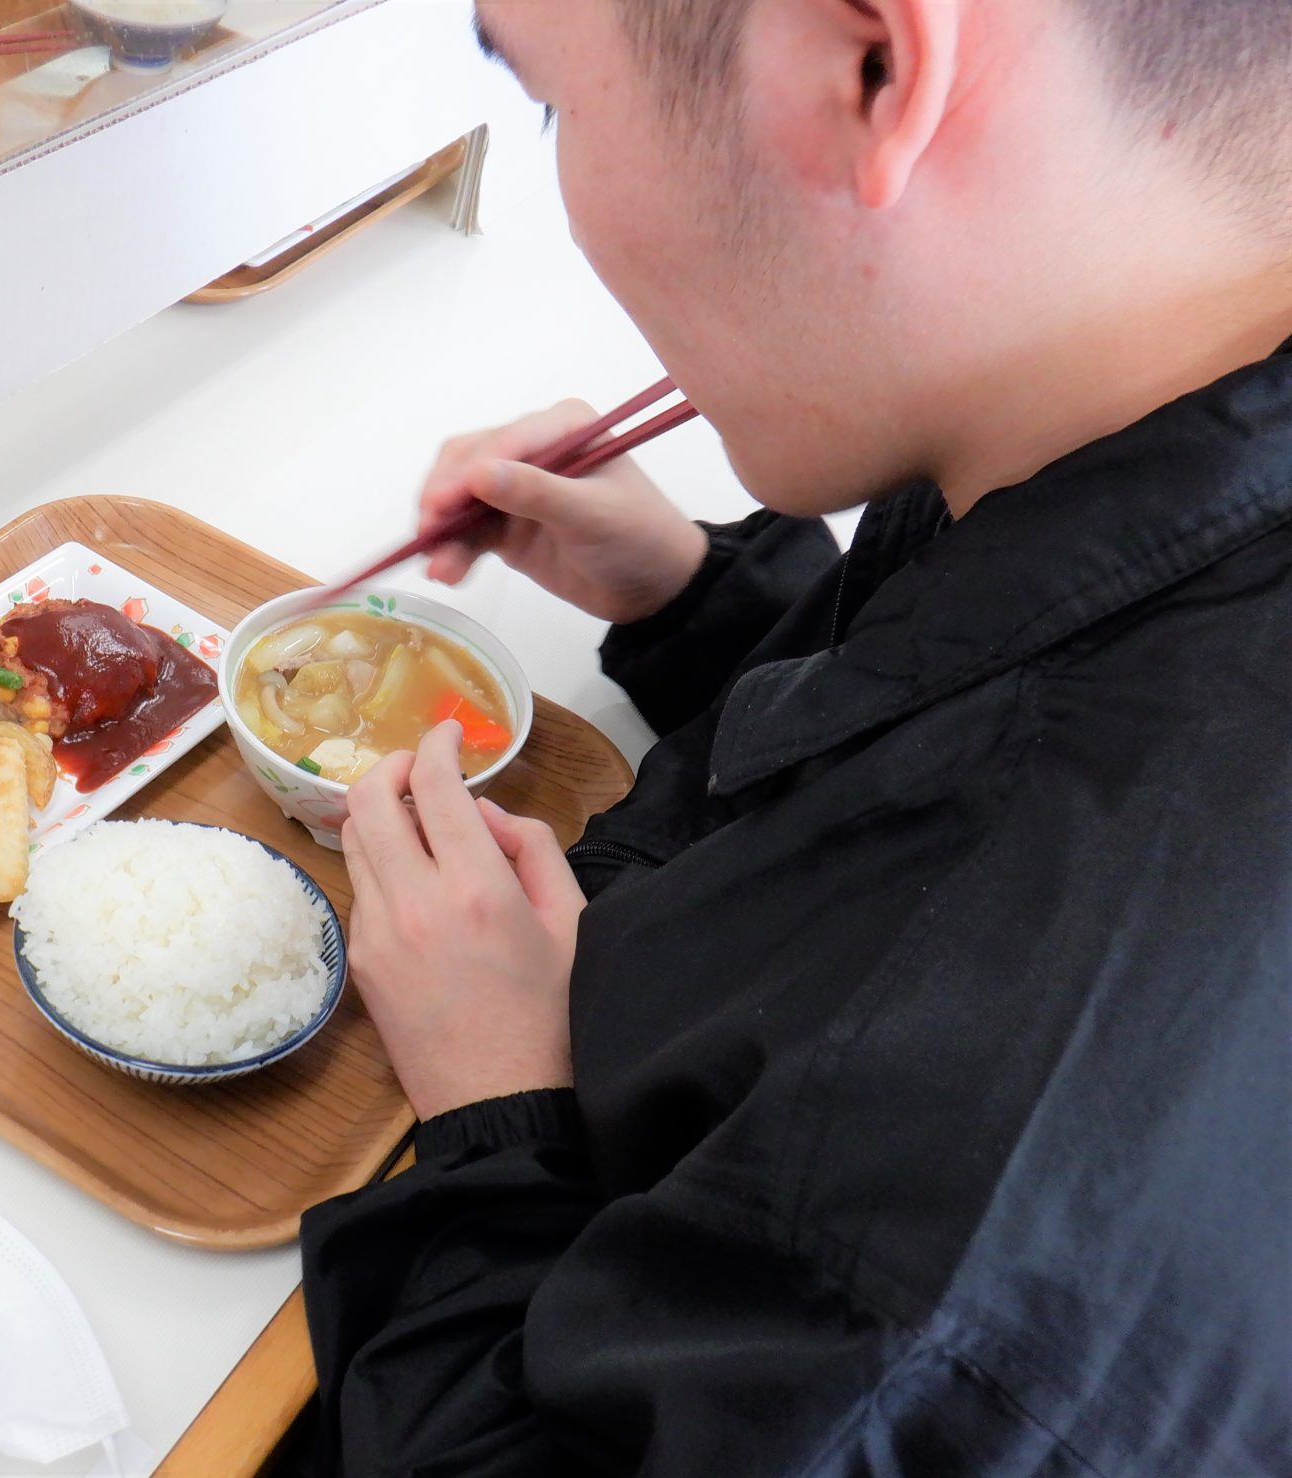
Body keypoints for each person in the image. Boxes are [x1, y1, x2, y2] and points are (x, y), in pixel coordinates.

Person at [301, 1, 1292, 1473]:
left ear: (870, 65)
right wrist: (702, 599)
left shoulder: (965, 1228)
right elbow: (962, 713)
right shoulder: (1096, 399)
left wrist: (497, 1111)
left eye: (556, 103)